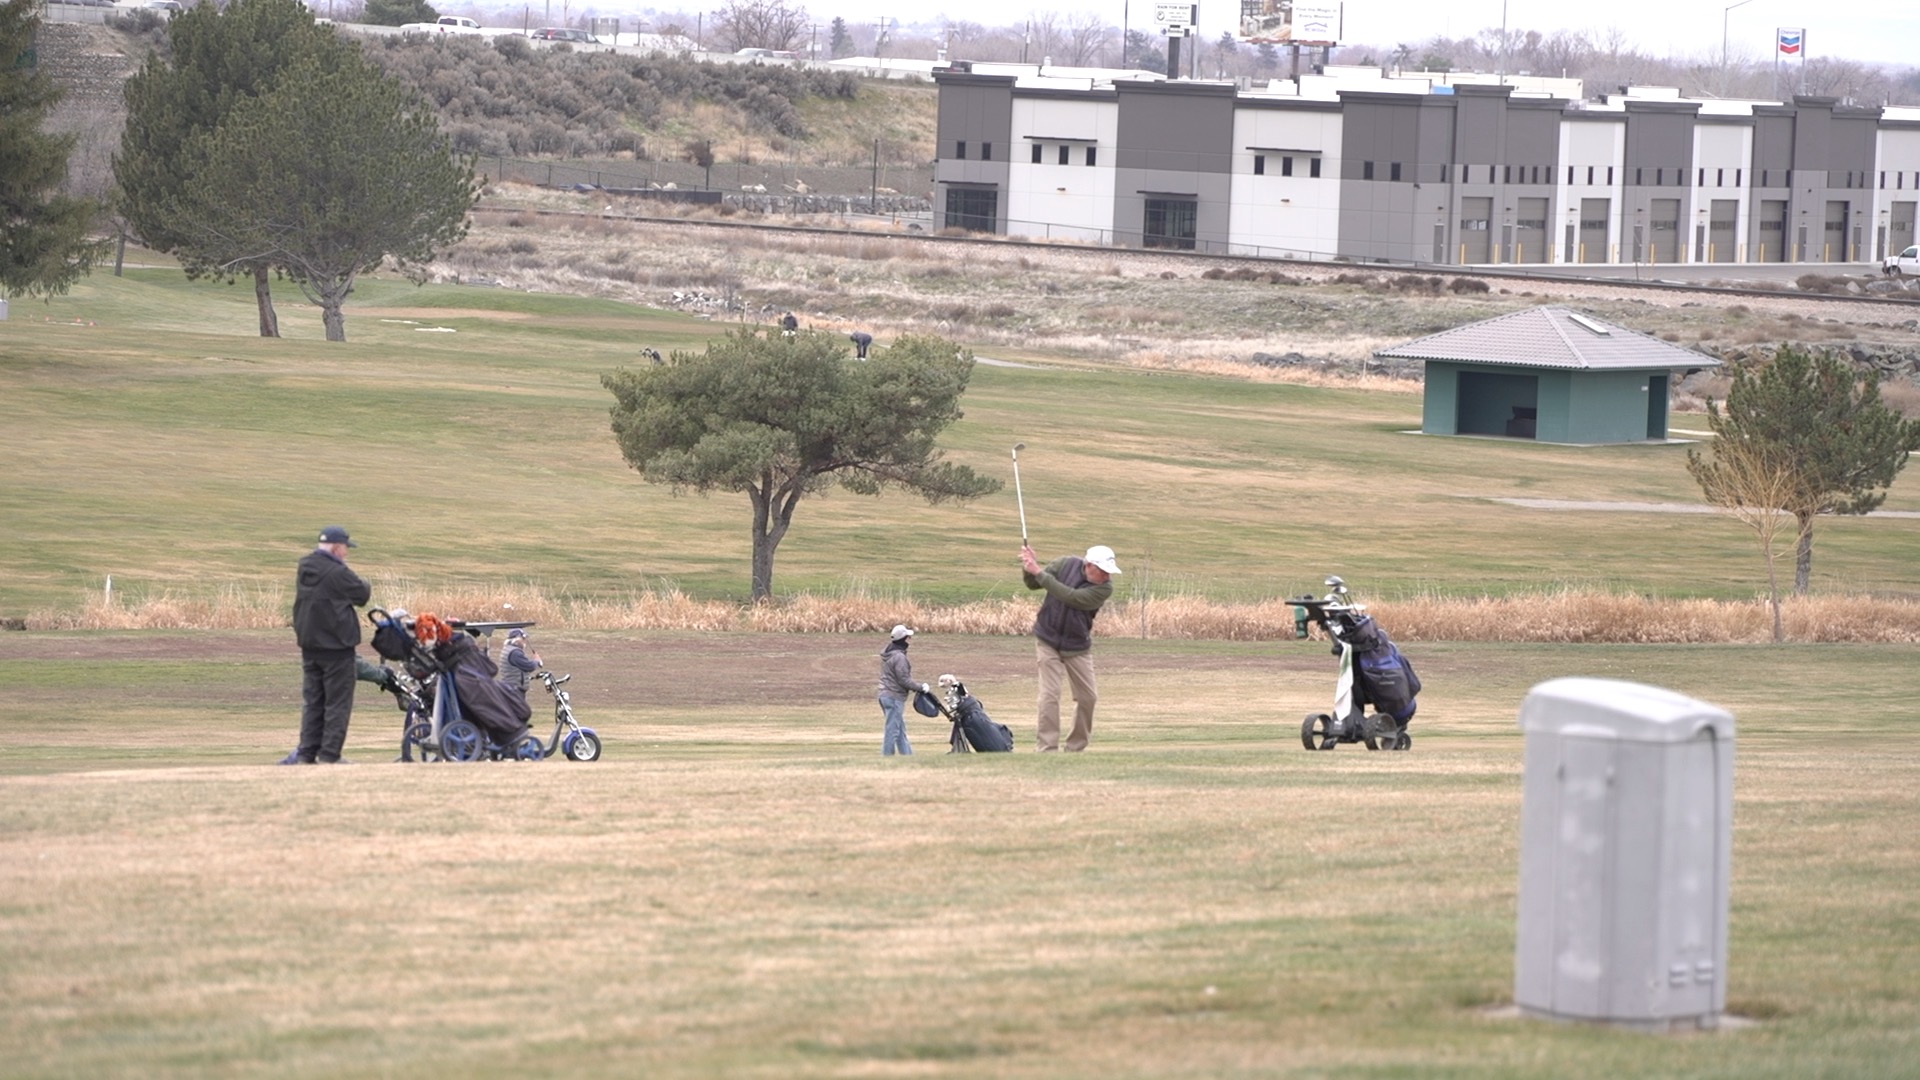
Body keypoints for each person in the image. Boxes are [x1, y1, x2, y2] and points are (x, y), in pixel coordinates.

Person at [1019, 543, 1120, 752]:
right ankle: (1047, 748)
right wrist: (1028, 566)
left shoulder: (1104, 588)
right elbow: (1033, 583)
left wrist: (1040, 572)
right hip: (1047, 639)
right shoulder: (1064, 564)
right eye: (1104, 572)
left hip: (1077, 645)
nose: (1107, 577)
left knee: (1088, 697)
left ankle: (1075, 748)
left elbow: (1072, 598)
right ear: (1090, 565)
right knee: (1050, 695)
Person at [288, 525, 372, 764]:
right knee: (337, 703)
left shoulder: (306, 567)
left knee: (313, 701)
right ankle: (329, 755)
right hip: (337, 647)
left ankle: (306, 753)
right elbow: (362, 594)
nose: (346, 553)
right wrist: (344, 570)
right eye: (345, 549)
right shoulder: (337, 572)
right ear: (336, 548)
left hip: (310, 645)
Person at [876, 623, 923, 756]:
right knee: (893, 730)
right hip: (894, 697)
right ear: (904, 639)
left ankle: (908, 757)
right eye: (908, 637)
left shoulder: (889, 654)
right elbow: (904, 680)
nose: (910, 639)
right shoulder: (899, 657)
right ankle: (887, 758)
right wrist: (921, 688)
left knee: (900, 729)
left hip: (885, 695)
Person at [497, 627, 542, 698]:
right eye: (523, 638)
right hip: (514, 690)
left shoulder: (508, 649)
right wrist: (536, 661)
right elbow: (529, 666)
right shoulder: (515, 653)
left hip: (510, 688)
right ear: (516, 640)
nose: (525, 641)